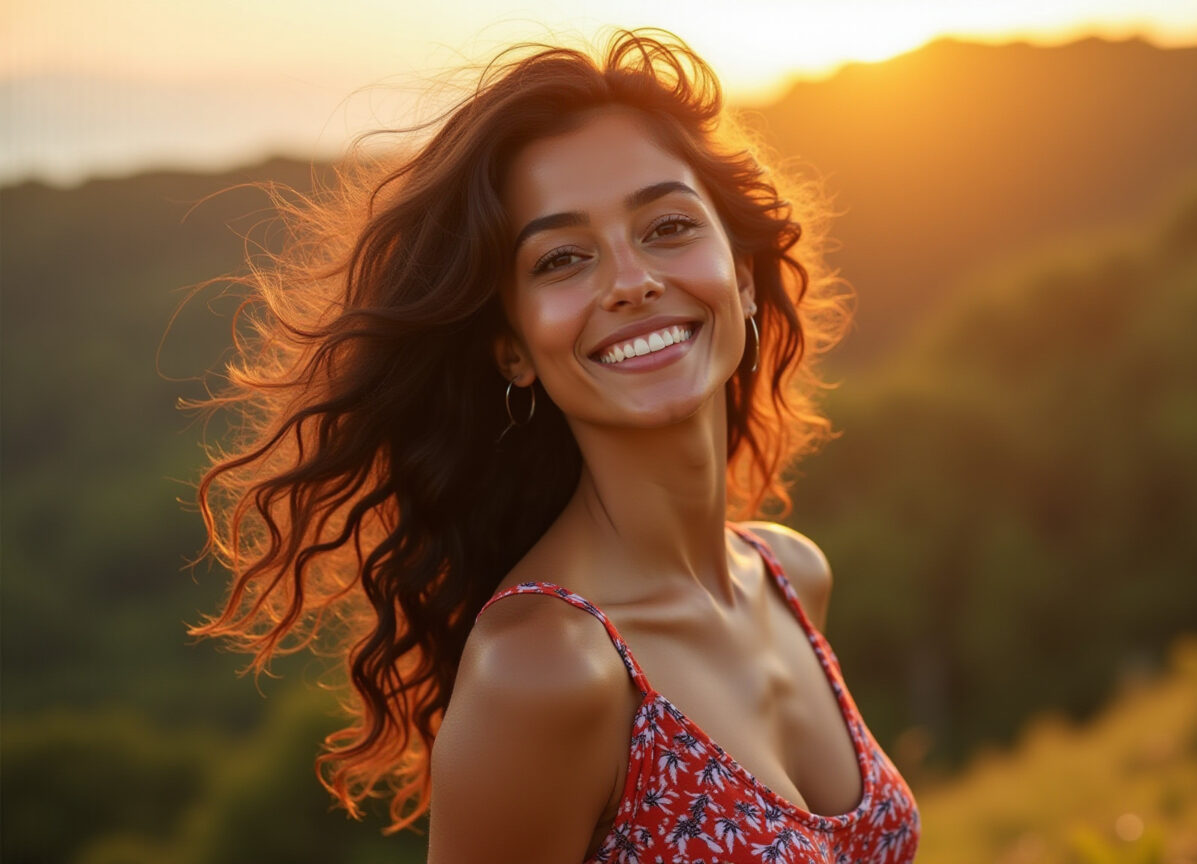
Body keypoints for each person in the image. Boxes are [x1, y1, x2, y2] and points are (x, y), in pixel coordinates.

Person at [192, 30, 919, 863]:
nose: (630, 280)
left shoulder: (792, 576)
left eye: (669, 225)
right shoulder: (543, 670)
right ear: (513, 348)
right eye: (564, 258)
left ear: (743, 277)